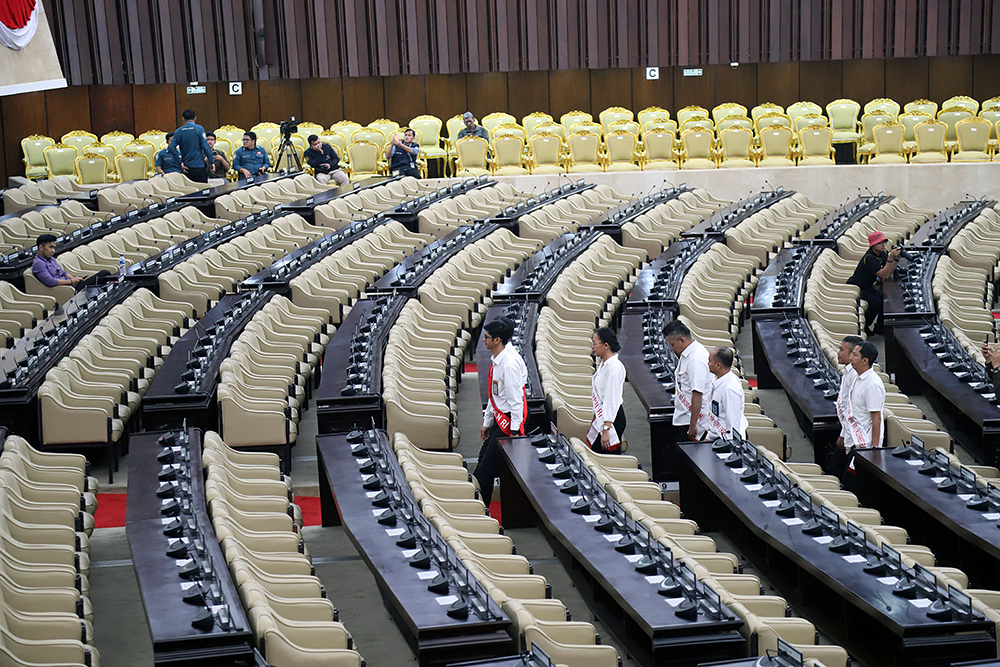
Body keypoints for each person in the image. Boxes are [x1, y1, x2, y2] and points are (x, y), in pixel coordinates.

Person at [476, 317, 527, 509]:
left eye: (487, 337)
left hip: (508, 425)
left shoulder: (508, 364)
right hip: (498, 420)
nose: (484, 340)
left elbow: (516, 402)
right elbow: (494, 396)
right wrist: (487, 421)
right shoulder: (498, 360)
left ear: (498, 340)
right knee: (482, 463)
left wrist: (514, 432)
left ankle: (483, 511)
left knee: (485, 471)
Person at [659, 319, 710, 480]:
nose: (672, 348)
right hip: (685, 418)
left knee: (693, 472)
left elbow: (697, 394)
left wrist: (693, 424)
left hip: (694, 422)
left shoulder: (696, 358)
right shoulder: (687, 355)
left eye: (673, 344)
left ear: (682, 339)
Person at [839, 341, 885, 490]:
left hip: (864, 444)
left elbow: (876, 418)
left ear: (865, 360)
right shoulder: (858, 378)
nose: (851, 357)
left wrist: (873, 449)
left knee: (852, 486)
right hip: (853, 439)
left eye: (855, 354)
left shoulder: (872, 384)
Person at [847, 231, 901, 335]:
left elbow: (888, 272)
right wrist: (890, 258)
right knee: (877, 303)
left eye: (884, 242)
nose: (883, 245)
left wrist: (896, 260)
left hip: (868, 285)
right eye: (880, 243)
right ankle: (865, 326)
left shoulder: (881, 254)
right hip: (858, 286)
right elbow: (883, 275)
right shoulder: (869, 258)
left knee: (885, 299)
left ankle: (880, 327)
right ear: (873, 245)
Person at [588, 327, 627, 453]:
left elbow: (611, 399)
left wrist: (606, 428)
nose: (593, 347)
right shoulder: (604, 364)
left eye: (595, 343)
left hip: (612, 419)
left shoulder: (613, 368)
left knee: (607, 454)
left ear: (606, 345)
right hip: (603, 416)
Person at [829, 335, 863, 477]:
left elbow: (853, 409)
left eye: (841, 350)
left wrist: (844, 435)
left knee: (843, 475)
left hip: (854, 436)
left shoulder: (855, 375)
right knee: (835, 470)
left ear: (851, 354)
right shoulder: (848, 372)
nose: (838, 353)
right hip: (846, 430)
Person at [701, 347, 748, 441]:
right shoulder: (720, 379)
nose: (708, 364)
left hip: (725, 440)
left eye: (710, 361)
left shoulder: (729, 389)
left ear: (718, 365)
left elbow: (733, 423)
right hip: (715, 434)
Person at [32, 234, 110, 291]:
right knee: (104, 274)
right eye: (50, 247)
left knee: (104, 278)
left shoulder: (51, 259)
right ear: (41, 247)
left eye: (54, 248)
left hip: (73, 285)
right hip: (69, 290)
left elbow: (63, 272)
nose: (53, 251)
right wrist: (71, 281)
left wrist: (74, 279)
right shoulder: (39, 263)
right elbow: (50, 281)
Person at [168, 109, 214, 183]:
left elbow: (172, 148)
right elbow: (206, 147)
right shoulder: (199, 129)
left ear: (183, 119)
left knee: (190, 190)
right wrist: (212, 162)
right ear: (195, 118)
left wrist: (180, 162)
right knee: (203, 190)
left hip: (187, 167)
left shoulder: (178, 131)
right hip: (199, 166)